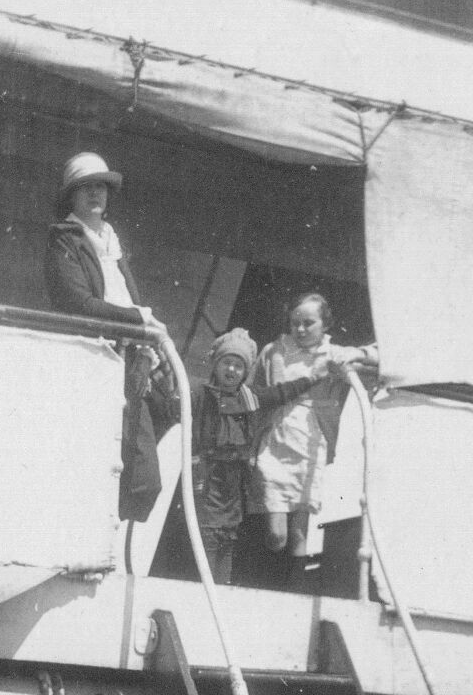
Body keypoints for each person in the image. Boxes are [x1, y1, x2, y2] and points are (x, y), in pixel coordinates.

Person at [45, 152, 176, 523]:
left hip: (130, 364)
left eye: (100, 186)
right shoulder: (64, 241)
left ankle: (111, 554)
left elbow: (128, 299)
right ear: (71, 196)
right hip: (93, 362)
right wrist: (140, 319)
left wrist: (146, 335)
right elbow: (79, 304)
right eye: (85, 187)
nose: (94, 194)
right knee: (95, 467)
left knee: (142, 479)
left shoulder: (111, 242)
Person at [248, 292, 377, 591]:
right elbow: (255, 391)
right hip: (275, 440)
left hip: (310, 445)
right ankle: (263, 580)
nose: (301, 329)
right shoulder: (274, 351)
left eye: (309, 323)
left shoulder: (334, 355)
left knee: (299, 534)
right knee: (275, 533)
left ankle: (291, 595)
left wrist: (356, 354)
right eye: (296, 323)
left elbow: (380, 356)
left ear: (324, 323)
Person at [189, 328, 330, 586]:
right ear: (216, 364)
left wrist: (311, 378)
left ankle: (223, 590)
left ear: (245, 372)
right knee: (206, 540)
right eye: (226, 363)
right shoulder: (201, 395)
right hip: (207, 480)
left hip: (233, 485)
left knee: (228, 538)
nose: (231, 371)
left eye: (238, 366)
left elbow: (280, 392)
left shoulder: (248, 398)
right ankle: (206, 590)